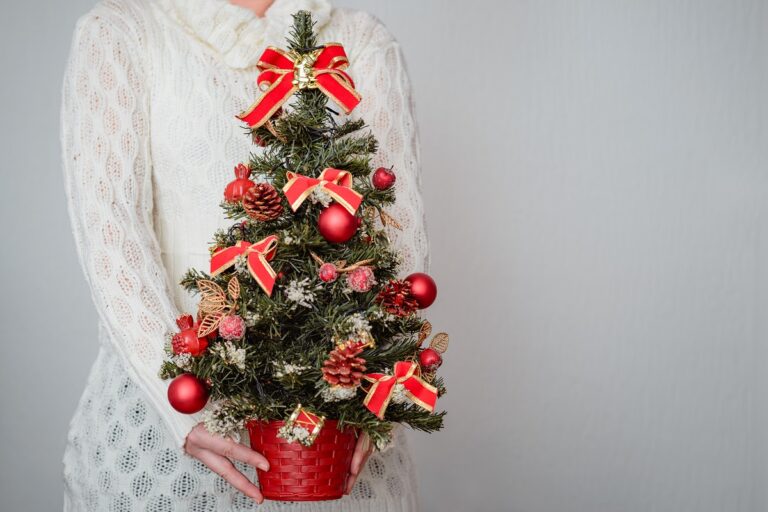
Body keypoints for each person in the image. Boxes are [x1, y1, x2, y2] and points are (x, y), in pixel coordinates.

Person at [60, 0, 430, 510]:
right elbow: (110, 226)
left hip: (337, 436)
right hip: (168, 429)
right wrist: (184, 407)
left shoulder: (359, 40)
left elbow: (398, 227)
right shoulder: (124, 30)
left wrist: (383, 391)